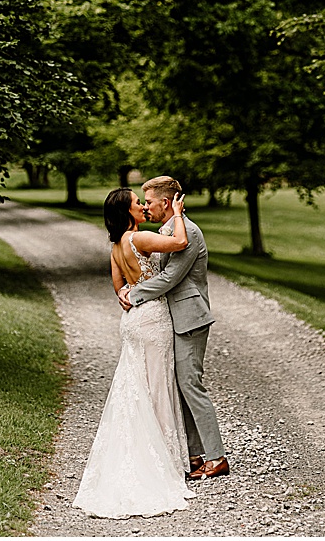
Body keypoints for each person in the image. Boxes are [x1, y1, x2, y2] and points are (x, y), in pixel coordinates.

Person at [71, 186, 195, 519]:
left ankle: (139, 453)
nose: (142, 206)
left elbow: (119, 288)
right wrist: (179, 215)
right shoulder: (137, 239)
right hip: (152, 318)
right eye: (137, 203)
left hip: (131, 320)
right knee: (156, 388)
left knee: (135, 388)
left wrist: (128, 292)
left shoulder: (115, 246)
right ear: (127, 212)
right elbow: (180, 243)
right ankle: (160, 461)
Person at [123, 175, 229, 481]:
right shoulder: (167, 231)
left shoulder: (189, 233)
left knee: (191, 385)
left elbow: (171, 277)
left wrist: (136, 295)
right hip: (172, 318)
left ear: (166, 203)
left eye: (150, 202)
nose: (146, 207)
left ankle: (217, 457)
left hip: (191, 319)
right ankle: (195, 455)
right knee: (181, 388)